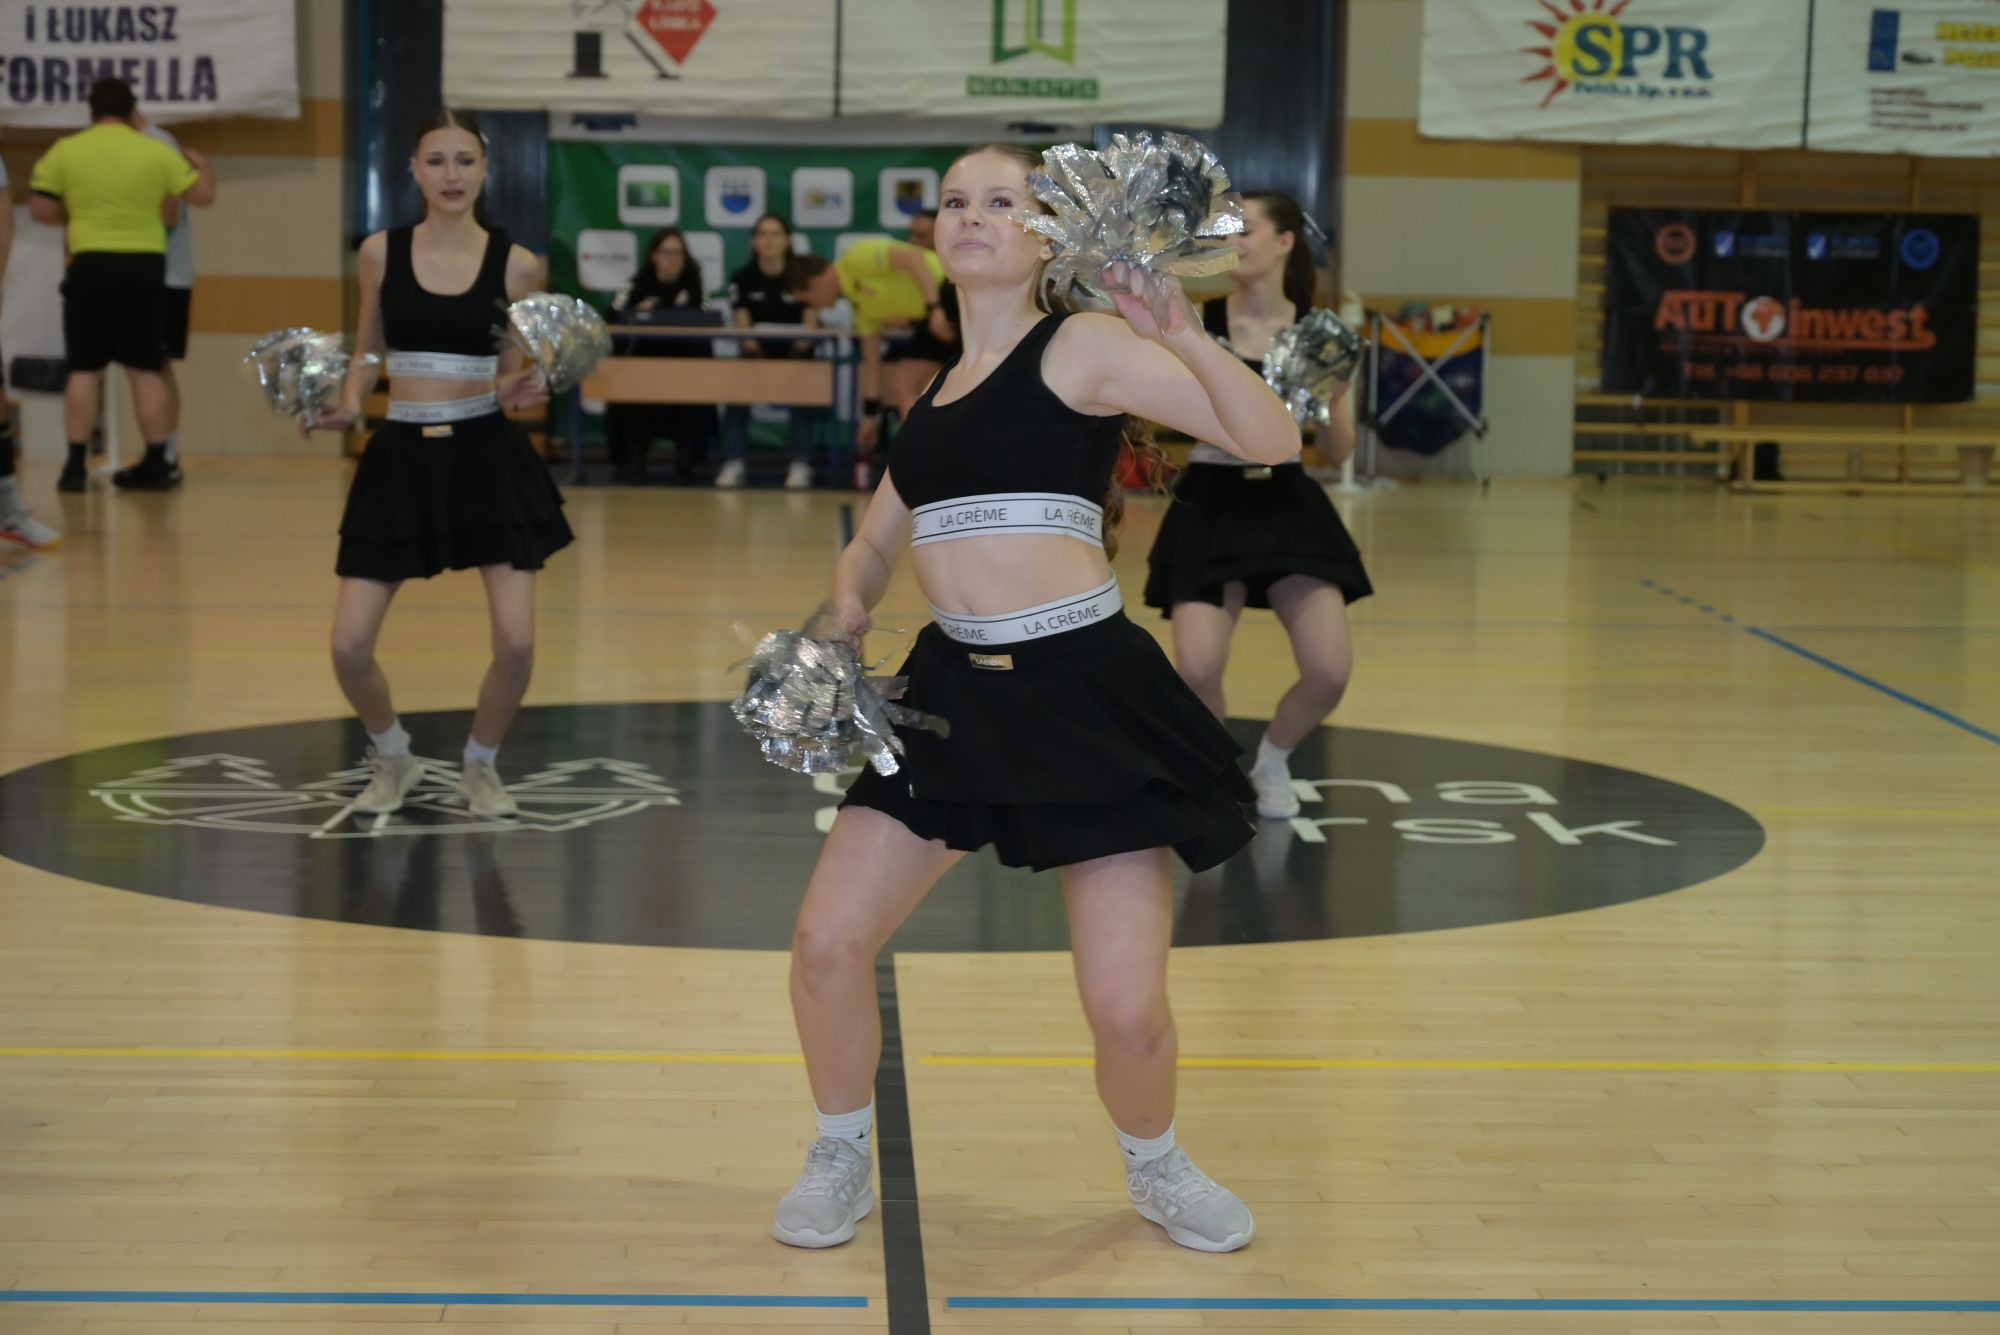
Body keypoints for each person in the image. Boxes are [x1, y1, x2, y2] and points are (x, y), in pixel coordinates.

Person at [767, 143, 1301, 1256]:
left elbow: (1271, 438)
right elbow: (874, 541)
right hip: (948, 696)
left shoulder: (1083, 347)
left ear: (1046, 233)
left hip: (1083, 692)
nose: (970, 215)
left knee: (1126, 1009)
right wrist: (848, 598)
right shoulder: (933, 395)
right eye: (954, 201)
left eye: (999, 200)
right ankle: (839, 1151)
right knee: (823, 942)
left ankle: (1157, 1165)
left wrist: (1183, 336)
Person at [305, 109, 569, 821]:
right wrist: (348, 402)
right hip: (399, 457)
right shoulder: (378, 252)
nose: (451, 175)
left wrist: (523, 385)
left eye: (465, 161)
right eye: (436, 160)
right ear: (414, 170)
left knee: (516, 644)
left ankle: (480, 765)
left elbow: (515, 368)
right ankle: (391, 752)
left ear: (485, 171)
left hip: (487, 457)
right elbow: (369, 349)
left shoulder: (518, 264)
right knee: (348, 645)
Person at [1142, 190, 1371, 820]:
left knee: (1329, 670)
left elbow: (1337, 449)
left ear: (1285, 242)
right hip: (1210, 498)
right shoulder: (1197, 325)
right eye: (1225, 230)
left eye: (1246, 229)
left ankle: (1274, 758)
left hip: (1288, 499)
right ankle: (1218, 770)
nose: (1232, 240)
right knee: (1197, 667)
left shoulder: (1320, 334)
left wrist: (1335, 394)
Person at [27, 77, 215, 494]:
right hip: (145, 267)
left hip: (90, 263)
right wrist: (203, 166)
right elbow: (201, 195)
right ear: (132, 111)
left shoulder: (67, 150)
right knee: (146, 368)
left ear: (91, 111)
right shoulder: (154, 150)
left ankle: (74, 467)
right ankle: (156, 461)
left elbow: (40, 207)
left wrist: (75, 215)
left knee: (84, 369)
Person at [784, 226, 951, 456]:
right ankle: (925, 456)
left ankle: (924, 457)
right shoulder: (859, 306)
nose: (813, 307)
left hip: (952, 289)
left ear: (813, 282)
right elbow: (871, 362)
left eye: (806, 300)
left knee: (909, 382)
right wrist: (870, 416)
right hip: (935, 316)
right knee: (908, 383)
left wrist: (935, 307)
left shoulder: (855, 257)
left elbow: (912, 258)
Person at [717, 212, 819, 490]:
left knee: (805, 387)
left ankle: (801, 463)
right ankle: (734, 461)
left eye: (775, 234)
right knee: (735, 390)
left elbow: (811, 326)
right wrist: (761, 361)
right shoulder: (742, 278)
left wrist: (791, 362)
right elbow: (744, 328)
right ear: (754, 242)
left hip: (797, 356)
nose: (769, 240)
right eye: (762, 234)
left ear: (787, 240)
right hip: (756, 356)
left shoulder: (803, 277)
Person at [606, 226, 713, 485]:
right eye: (666, 252)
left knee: (693, 397)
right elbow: (612, 315)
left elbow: (706, 320)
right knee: (631, 394)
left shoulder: (695, 284)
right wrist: (636, 313)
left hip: (685, 367)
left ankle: (688, 464)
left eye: (678, 253)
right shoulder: (636, 284)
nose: (672, 259)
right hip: (641, 367)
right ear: (654, 255)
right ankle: (632, 461)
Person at [127, 110, 197, 490]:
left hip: (164, 275)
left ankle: (165, 453)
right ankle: (162, 450)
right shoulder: (153, 142)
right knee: (153, 365)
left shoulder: (156, 143)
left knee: (155, 365)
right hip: (160, 275)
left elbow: (169, 212)